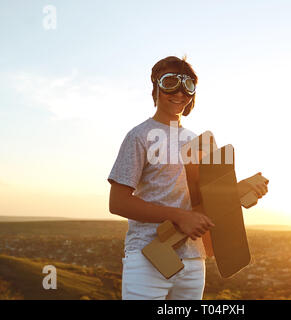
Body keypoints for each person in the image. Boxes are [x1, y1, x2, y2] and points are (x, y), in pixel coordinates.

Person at [107, 56, 268, 300]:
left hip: (193, 259)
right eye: (171, 82)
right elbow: (118, 202)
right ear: (156, 86)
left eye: (188, 85)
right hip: (148, 258)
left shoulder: (199, 142)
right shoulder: (140, 136)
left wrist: (242, 191)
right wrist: (179, 216)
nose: (180, 92)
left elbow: (207, 199)